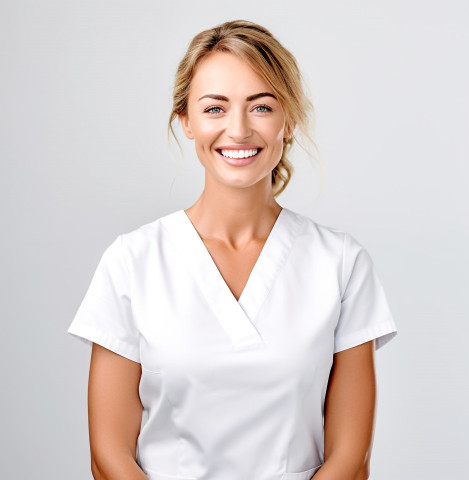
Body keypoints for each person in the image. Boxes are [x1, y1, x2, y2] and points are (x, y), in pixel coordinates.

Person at [68, 20, 397, 480]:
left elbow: (350, 459)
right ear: (186, 120)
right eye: (215, 108)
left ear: (289, 121)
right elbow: (109, 457)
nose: (238, 130)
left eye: (261, 106)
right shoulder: (131, 262)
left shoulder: (340, 264)